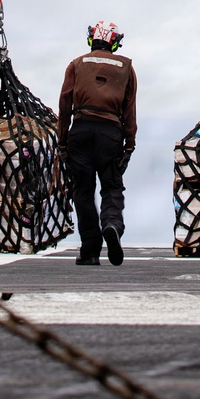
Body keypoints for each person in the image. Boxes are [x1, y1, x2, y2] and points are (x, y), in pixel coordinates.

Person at [58, 20, 136, 267]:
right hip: (110, 134)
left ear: (92, 39)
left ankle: (90, 251)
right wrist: (129, 145)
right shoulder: (126, 67)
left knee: (82, 191)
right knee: (112, 187)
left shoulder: (76, 64)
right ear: (114, 41)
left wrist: (62, 143)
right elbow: (129, 110)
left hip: (80, 131)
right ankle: (111, 224)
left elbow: (65, 103)